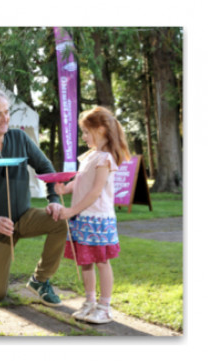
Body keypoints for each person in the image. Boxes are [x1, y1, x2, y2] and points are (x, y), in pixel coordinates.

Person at [0, 89, 67, 306]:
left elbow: (45, 167)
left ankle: (41, 280)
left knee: (61, 221)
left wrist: (54, 200)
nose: (5, 118)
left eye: (7, 112)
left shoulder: (19, 138)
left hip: (24, 216)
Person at [55, 107, 129, 324]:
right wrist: (65, 189)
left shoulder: (105, 158)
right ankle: (89, 302)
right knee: (85, 262)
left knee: (102, 261)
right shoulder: (89, 156)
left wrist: (71, 211)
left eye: (87, 132)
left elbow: (96, 191)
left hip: (97, 219)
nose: (84, 136)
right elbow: (80, 183)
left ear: (101, 129)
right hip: (83, 217)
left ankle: (104, 307)